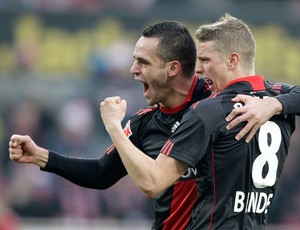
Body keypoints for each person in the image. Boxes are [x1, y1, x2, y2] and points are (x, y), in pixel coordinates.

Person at [9, 20, 300, 229]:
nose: (133, 70)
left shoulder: (213, 103)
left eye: (143, 63)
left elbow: (152, 184)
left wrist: (273, 104)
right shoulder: (146, 123)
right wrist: (42, 157)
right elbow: (101, 173)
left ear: (172, 68)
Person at [97, 15, 299, 229]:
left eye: (205, 61)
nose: (199, 69)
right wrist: (274, 105)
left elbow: (152, 183)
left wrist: (113, 126)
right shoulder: (278, 100)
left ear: (232, 60)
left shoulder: (208, 110)